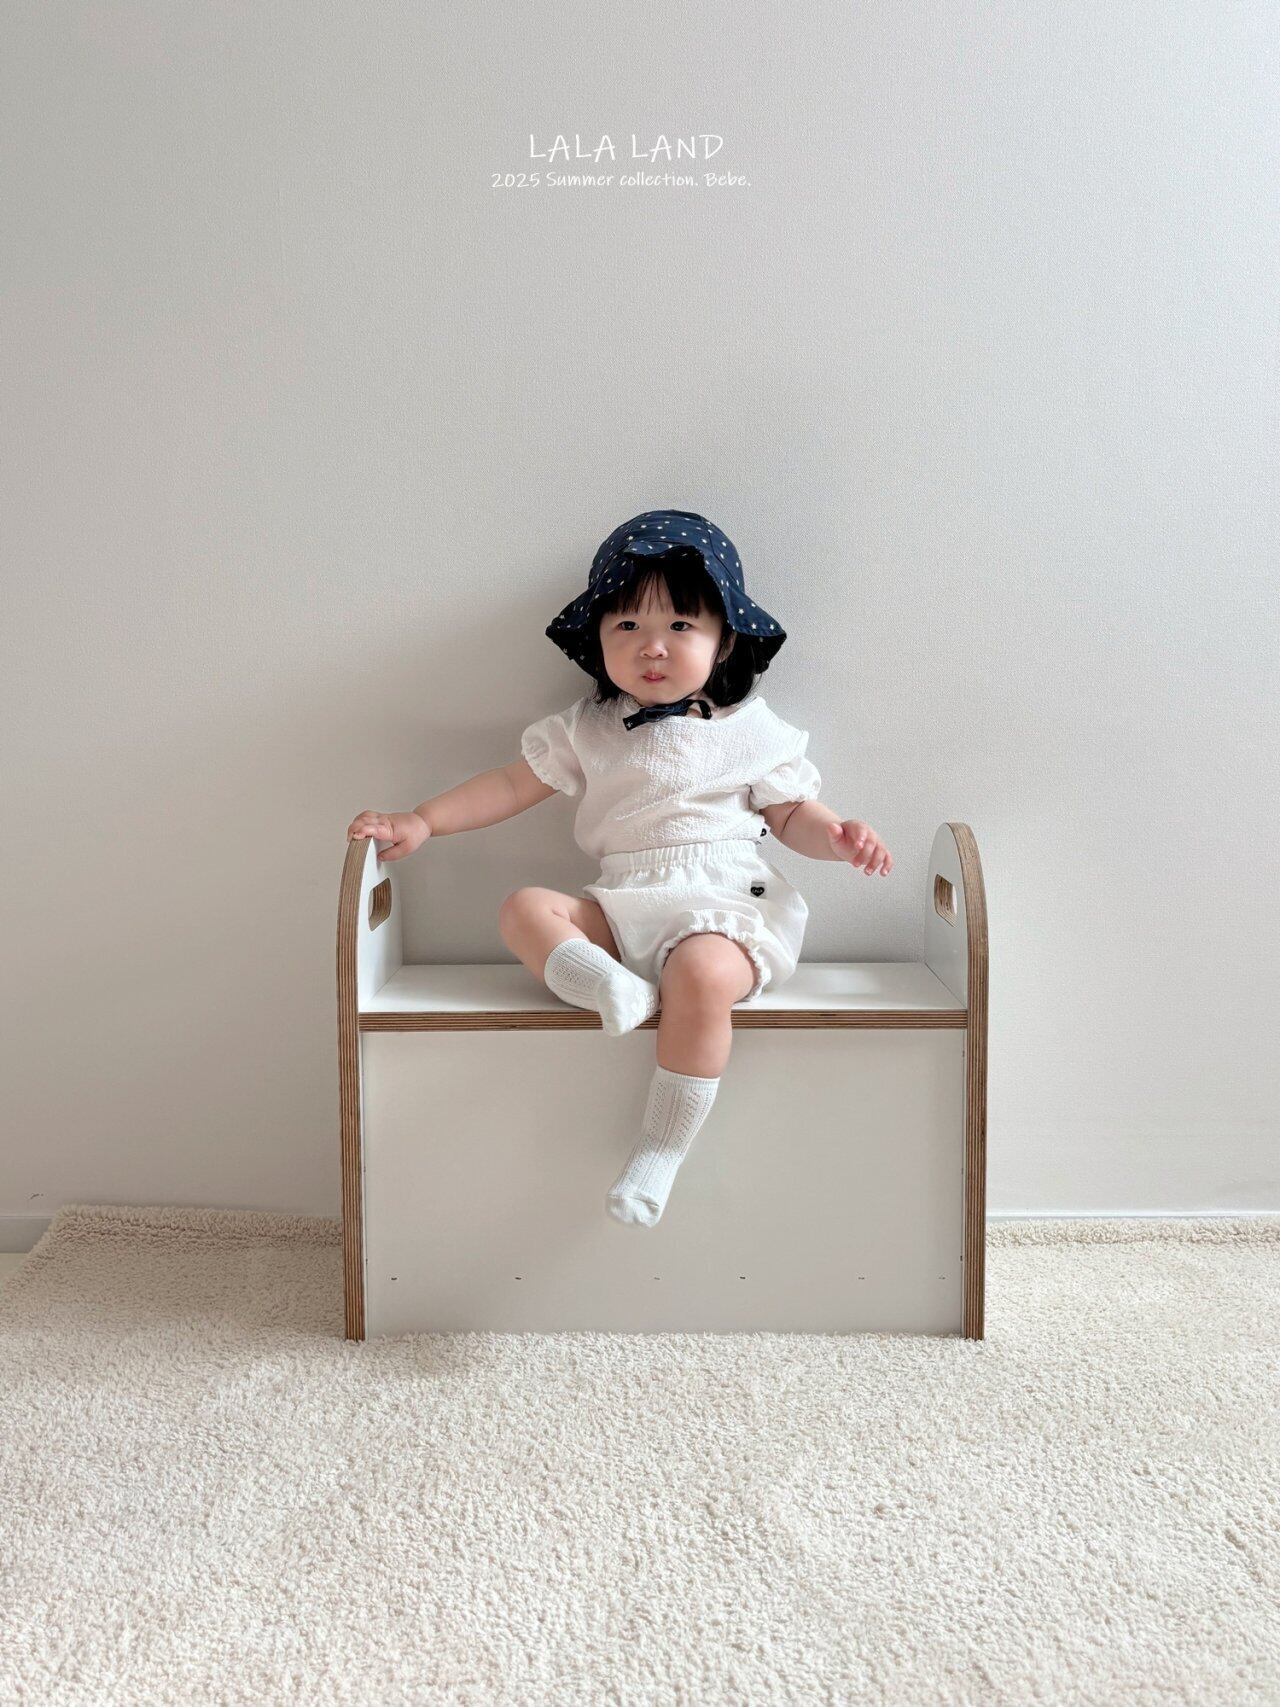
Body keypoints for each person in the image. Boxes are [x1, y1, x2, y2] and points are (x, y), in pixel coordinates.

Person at [347, 509, 892, 1228]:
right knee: (523, 908)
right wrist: (423, 820)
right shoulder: (588, 727)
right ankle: (609, 986)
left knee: (701, 973)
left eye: (680, 626)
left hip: (724, 903)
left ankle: (661, 1147)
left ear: (725, 638)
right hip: (626, 900)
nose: (651, 646)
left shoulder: (752, 730)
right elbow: (509, 785)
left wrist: (839, 837)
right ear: (598, 637)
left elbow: (793, 816)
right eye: (627, 625)